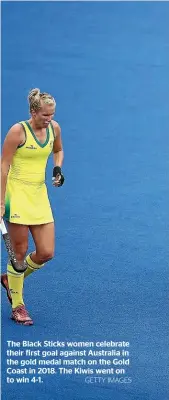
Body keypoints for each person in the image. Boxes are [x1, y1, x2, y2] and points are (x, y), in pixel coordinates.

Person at [1, 88, 64, 325]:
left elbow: (58, 150)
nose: (50, 119)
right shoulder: (17, 132)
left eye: (52, 115)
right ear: (33, 112)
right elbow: (3, 166)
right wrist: (0, 201)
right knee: (19, 251)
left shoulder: (54, 128)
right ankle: (18, 305)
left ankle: (11, 279)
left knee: (46, 252)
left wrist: (57, 169)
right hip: (16, 194)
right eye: (45, 115)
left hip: (39, 195)